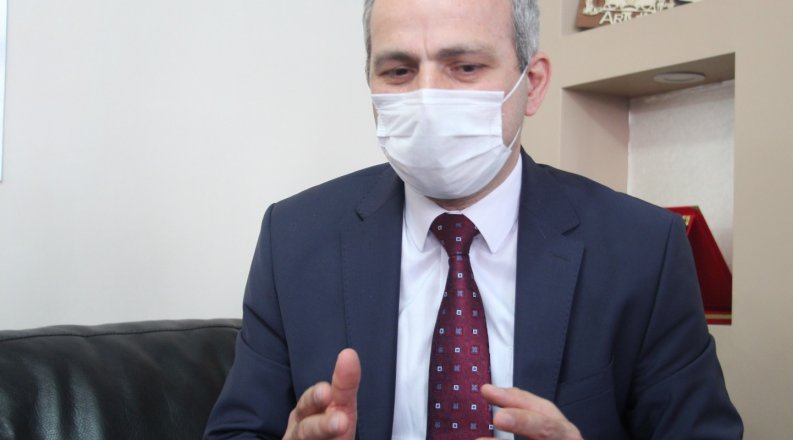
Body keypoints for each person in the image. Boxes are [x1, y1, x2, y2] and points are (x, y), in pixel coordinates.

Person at [204, 0, 743, 438]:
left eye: (464, 67)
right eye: (398, 71)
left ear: (532, 84)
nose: (427, 99)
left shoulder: (643, 250)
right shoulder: (293, 240)